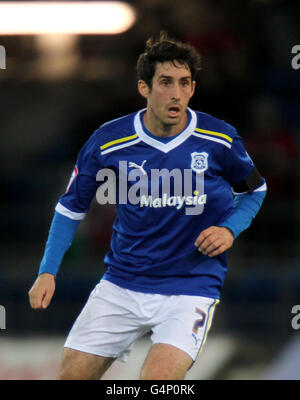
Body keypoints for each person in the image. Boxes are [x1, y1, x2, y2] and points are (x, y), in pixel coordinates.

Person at [28, 31, 267, 380]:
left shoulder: (219, 139)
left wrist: (230, 229)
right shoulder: (108, 141)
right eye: (165, 82)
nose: (176, 93)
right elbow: (71, 207)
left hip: (190, 287)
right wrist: (47, 270)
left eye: (185, 83)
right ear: (144, 88)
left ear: (193, 89)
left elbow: (254, 190)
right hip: (121, 284)